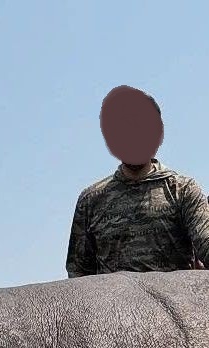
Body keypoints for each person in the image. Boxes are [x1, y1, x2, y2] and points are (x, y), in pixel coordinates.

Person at [66, 85, 209, 278]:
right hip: (111, 306)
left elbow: (206, 246)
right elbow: (78, 274)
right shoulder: (91, 200)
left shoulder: (183, 190)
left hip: (171, 305)